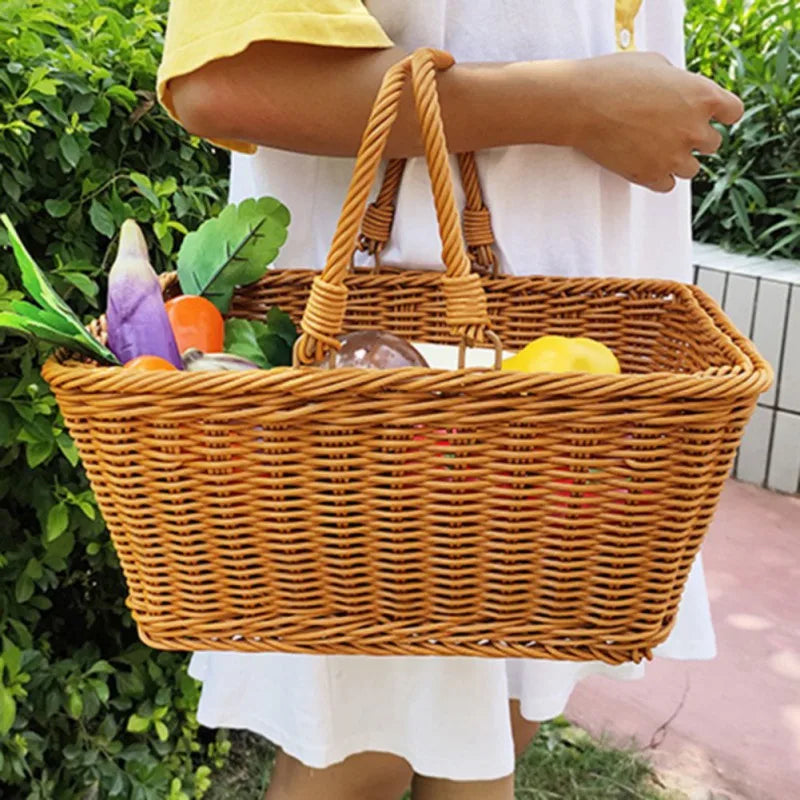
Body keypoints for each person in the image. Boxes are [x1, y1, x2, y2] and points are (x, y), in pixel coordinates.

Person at [157, 3, 743, 799]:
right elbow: (226, 78)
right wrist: (573, 104)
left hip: (574, 399)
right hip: (396, 414)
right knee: (356, 761)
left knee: (493, 730)